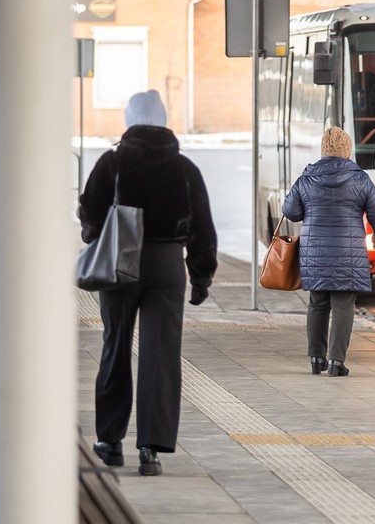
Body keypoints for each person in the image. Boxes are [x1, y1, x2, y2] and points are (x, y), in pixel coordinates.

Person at [80, 89, 217, 477]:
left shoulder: (112, 163)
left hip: (120, 260)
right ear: (163, 120)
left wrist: (98, 236)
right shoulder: (184, 168)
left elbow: (90, 214)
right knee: (161, 353)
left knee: (116, 346)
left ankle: (110, 442)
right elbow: (203, 228)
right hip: (168, 265)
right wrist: (201, 277)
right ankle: (150, 449)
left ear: (129, 120)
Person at [282, 126, 375, 377]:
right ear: (348, 150)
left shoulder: (307, 177)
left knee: (317, 303)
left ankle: (316, 358)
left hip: (315, 253)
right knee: (343, 305)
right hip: (347, 254)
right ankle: (336, 361)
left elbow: (290, 211)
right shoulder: (359, 179)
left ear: (323, 149)